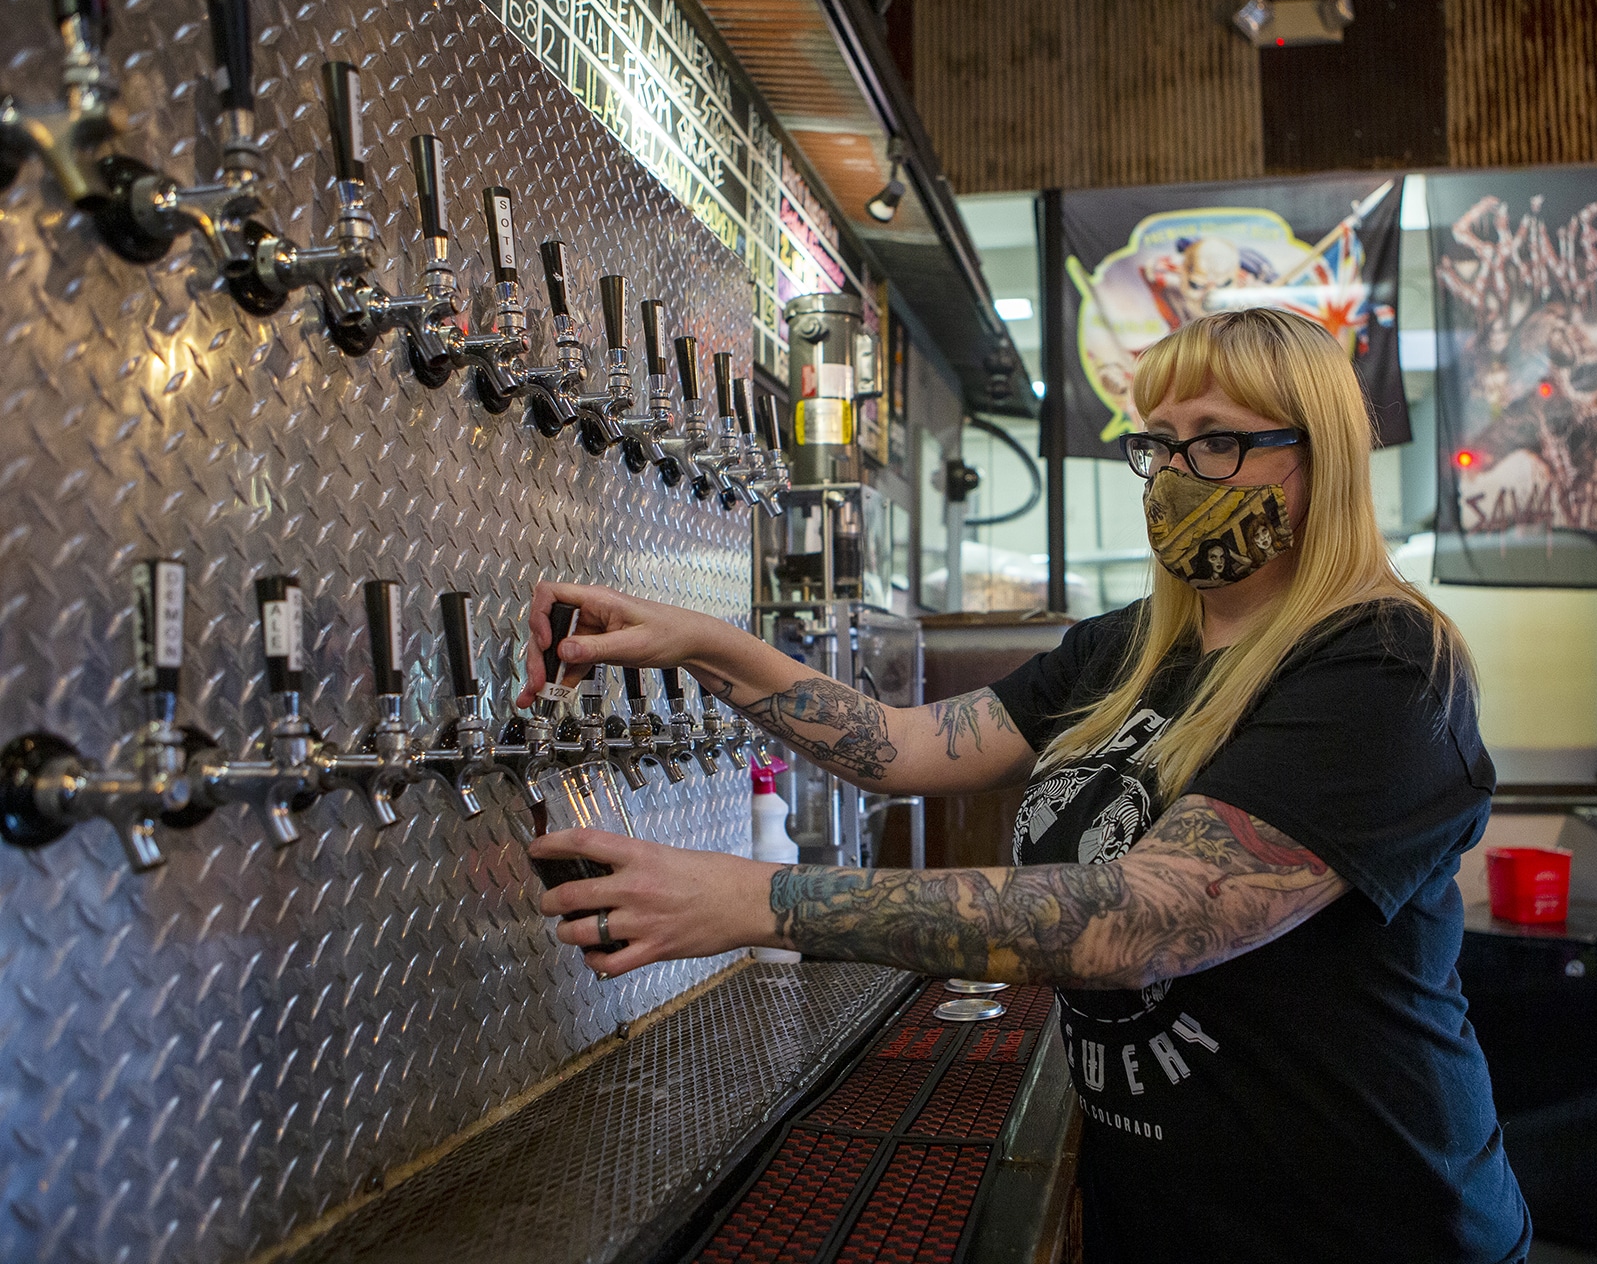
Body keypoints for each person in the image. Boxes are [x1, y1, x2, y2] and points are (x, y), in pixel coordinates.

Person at [515, 308, 1531, 1263]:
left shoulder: (1384, 666)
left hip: (1365, 1223)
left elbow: (1144, 919)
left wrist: (753, 899)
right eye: (1157, 442)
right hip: (1170, 1218)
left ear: (1318, 459)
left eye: (1216, 439)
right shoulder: (1127, 649)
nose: (1175, 473)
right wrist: (699, 641)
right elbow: (903, 745)